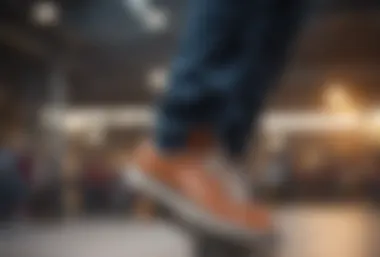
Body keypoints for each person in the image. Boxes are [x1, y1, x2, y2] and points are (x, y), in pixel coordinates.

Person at [128, 0, 310, 237]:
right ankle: (185, 143)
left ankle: (218, 151)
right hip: (190, 130)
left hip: (229, 130)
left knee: (280, 14)